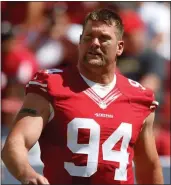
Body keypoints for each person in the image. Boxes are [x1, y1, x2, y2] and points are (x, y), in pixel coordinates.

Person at [2, 9, 164, 184]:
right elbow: (16, 143)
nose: (94, 43)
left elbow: (149, 165)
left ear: (119, 47)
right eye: (88, 37)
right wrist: (28, 175)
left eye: (103, 38)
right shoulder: (51, 85)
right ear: (80, 42)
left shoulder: (139, 97)